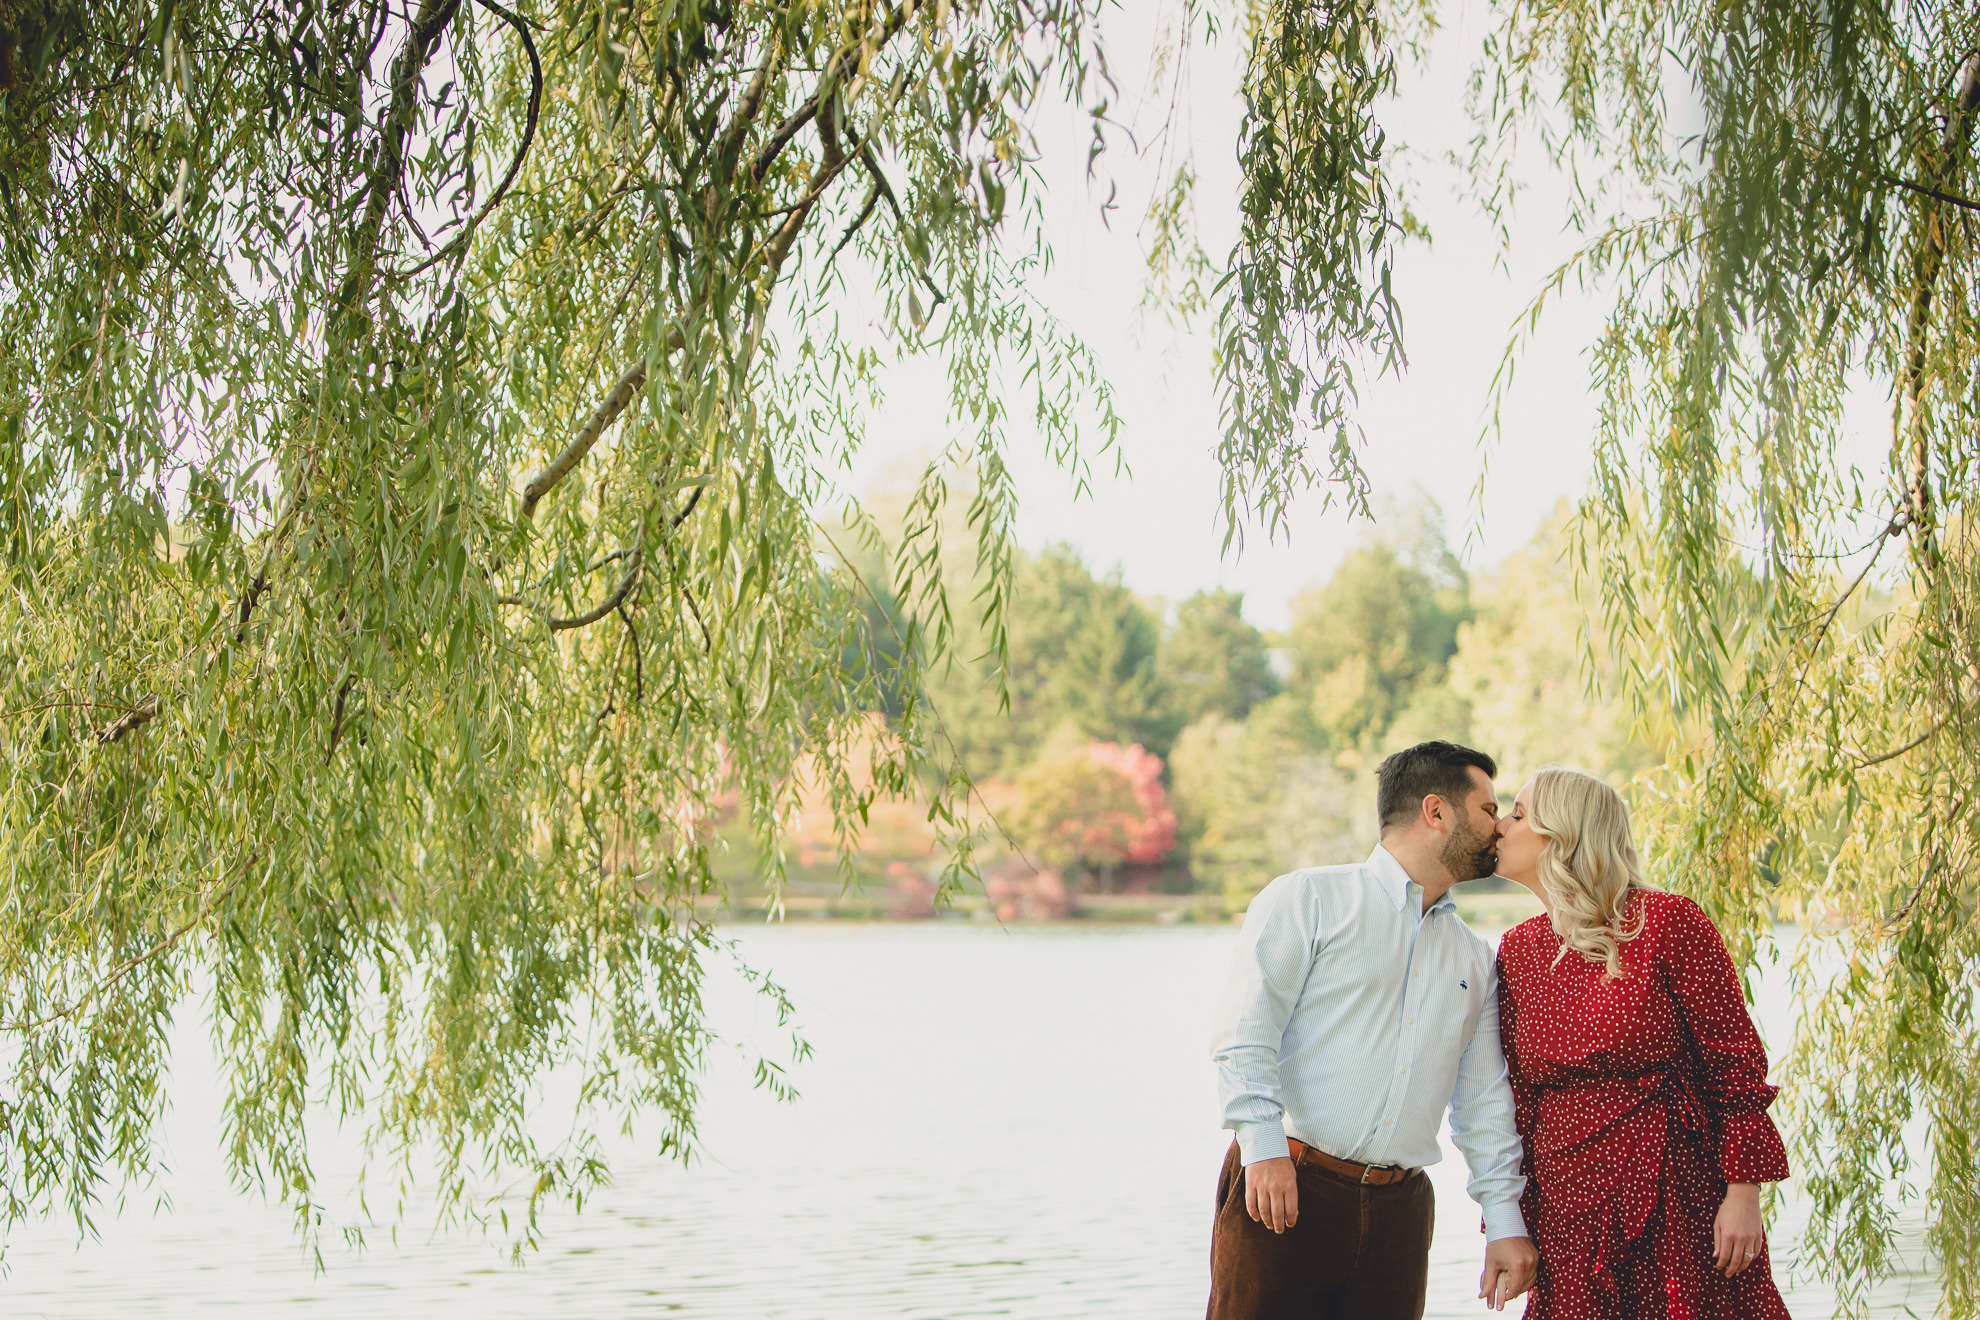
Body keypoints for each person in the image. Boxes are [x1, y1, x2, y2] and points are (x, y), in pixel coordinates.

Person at [1207, 740, 1540, 1319]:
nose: (1499, 827)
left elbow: (1483, 1101)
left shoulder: (1473, 958)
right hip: (1287, 1189)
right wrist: (1261, 1148)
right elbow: (1245, 1030)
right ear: (1436, 813)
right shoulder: (1310, 898)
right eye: (1488, 810)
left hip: (1399, 1218)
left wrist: (1504, 1224)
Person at [1493, 767, 1792, 1319]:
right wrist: (1505, 1224)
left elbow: (1735, 1065)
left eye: (1516, 814)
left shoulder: (1669, 922)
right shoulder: (1517, 951)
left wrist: (1743, 1193)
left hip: (1676, 1191)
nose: (1498, 828)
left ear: (1562, 834)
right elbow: (1514, 1101)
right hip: (1566, 1207)